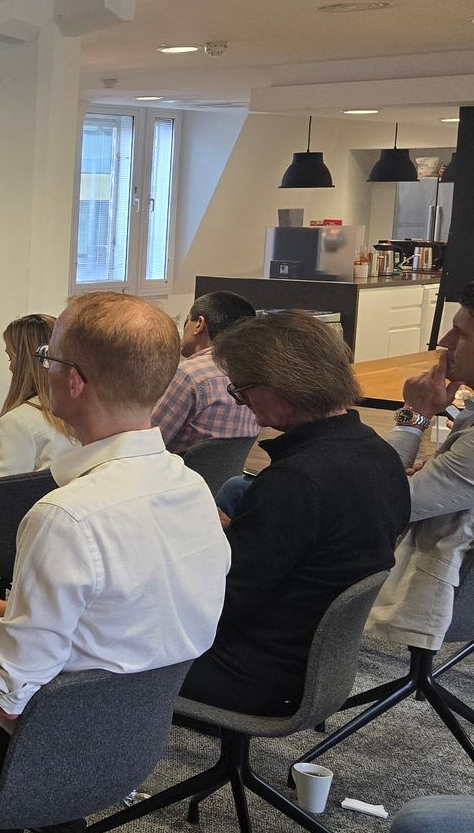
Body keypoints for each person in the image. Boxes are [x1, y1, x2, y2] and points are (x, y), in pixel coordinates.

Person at [0, 292, 229, 801]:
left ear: (74, 380)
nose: (43, 369)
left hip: (21, 758)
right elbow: (123, 620)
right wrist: (1, 606)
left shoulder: (67, 517)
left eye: (47, 359)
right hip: (128, 745)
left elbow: (4, 696)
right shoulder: (194, 491)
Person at [178, 311, 407, 714]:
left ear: (282, 384)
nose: (241, 400)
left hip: (251, 669)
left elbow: (222, 601)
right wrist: (244, 531)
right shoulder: (379, 454)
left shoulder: (299, 481)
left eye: (243, 388)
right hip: (312, 659)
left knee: (94, 643)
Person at [368, 282, 474, 653]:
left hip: (440, 589)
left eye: (460, 332)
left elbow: (383, 503)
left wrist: (414, 416)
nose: (445, 341)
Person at [0, 314, 80, 483]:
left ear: (27, 363)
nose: (10, 367)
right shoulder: (79, 411)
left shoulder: (18, 422)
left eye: (11, 357)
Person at [152, 290, 259, 454]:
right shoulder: (255, 375)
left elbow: (150, 442)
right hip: (222, 479)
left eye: (187, 321)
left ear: (199, 324)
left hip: (175, 476)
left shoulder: (190, 375)